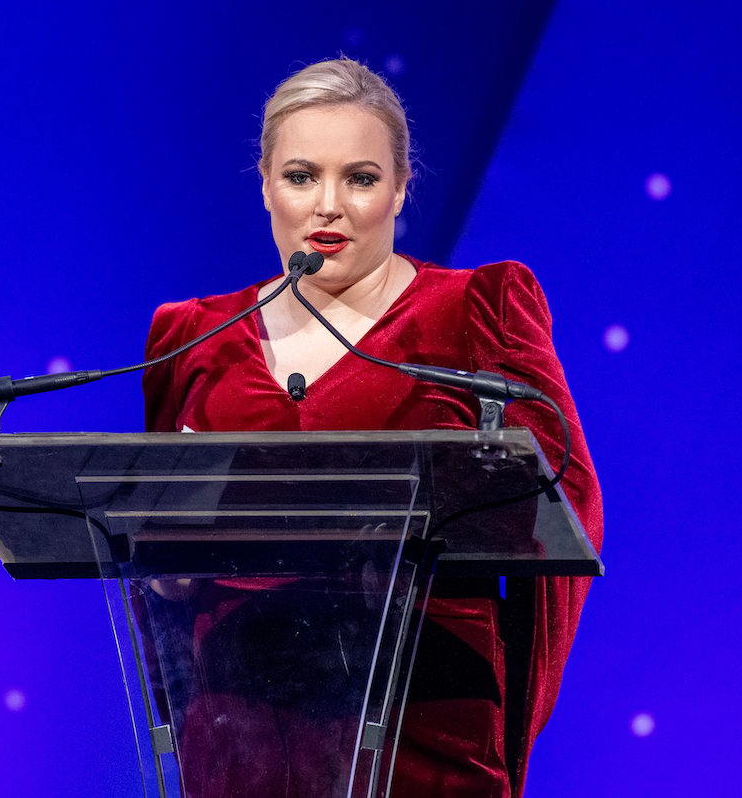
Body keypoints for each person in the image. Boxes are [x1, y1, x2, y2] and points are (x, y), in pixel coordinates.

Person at [142, 58, 603, 798]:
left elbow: (565, 507)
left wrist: (514, 719)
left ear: (399, 188)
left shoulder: (480, 309)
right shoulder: (191, 336)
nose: (329, 205)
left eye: (360, 178)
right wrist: (167, 582)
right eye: (300, 176)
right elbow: (151, 542)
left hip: (427, 728)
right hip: (238, 738)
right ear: (264, 184)